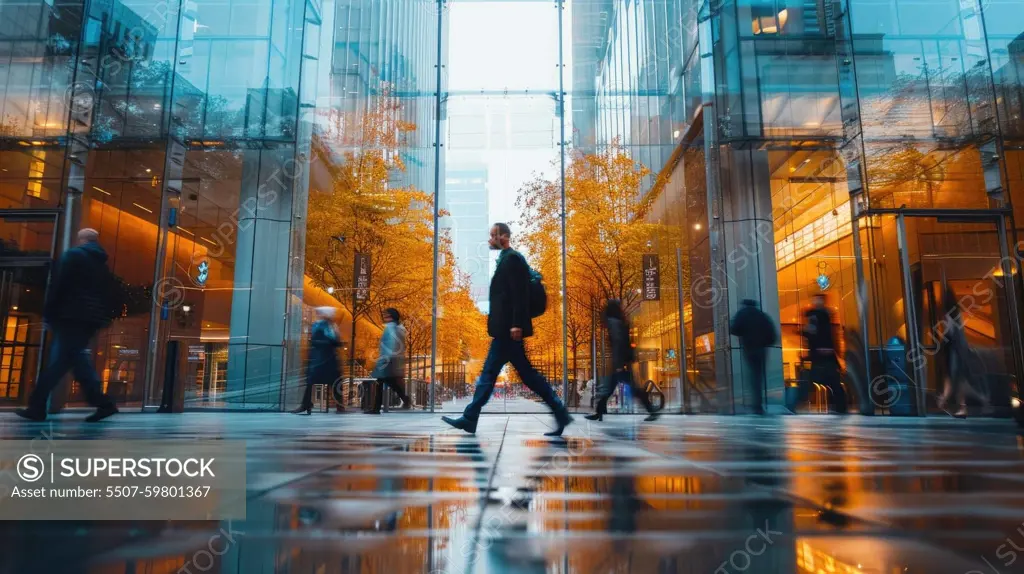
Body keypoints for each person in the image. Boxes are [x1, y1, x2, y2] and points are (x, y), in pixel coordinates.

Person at [442, 223, 572, 436]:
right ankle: (559, 412)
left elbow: (519, 294)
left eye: (494, 235)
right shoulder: (506, 259)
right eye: (490, 235)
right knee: (514, 374)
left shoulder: (512, 259)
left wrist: (516, 324)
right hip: (506, 330)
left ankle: (470, 417)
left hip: (509, 331)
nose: (490, 239)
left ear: (504, 236)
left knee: (494, 374)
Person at [17, 228, 118, 422]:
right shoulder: (102, 264)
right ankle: (103, 403)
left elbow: (59, 285)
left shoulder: (73, 256)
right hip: (89, 319)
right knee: (74, 360)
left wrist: (48, 313)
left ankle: (37, 407)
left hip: (70, 316)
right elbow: (108, 293)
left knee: (60, 362)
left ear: (81, 239)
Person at [585, 299, 659, 422]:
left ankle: (651, 409)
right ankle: (599, 413)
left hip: (620, 365)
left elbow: (618, 344)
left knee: (620, 389)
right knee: (613, 389)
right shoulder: (618, 322)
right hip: (622, 363)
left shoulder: (613, 323)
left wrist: (619, 364)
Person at [938, 287, 990, 418]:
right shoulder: (957, 313)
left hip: (954, 352)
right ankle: (957, 404)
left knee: (956, 379)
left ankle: (947, 402)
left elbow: (949, 333)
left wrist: (942, 343)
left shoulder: (949, 314)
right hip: (960, 350)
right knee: (958, 380)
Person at [730, 299, 777, 414]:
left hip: (749, 348)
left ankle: (755, 405)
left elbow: (734, 329)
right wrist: (765, 343)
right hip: (761, 349)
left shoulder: (742, 314)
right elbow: (772, 334)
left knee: (752, 377)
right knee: (758, 376)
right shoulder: (762, 316)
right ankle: (758, 404)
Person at [293, 306, 342, 415]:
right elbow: (335, 341)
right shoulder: (329, 326)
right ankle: (339, 406)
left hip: (321, 359)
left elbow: (317, 341)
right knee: (332, 382)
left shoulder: (322, 326)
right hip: (325, 359)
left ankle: (306, 405)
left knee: (315, 382)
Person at [803, 293, 845, 414]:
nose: (816, 302)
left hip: (822, 353)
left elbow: (815, 333)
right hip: (824, 353)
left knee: (818, 379)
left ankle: (839, 406)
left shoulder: (817, 316)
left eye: (818, 300)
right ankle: (840, 406)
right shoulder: (825, 315)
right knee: (832, 381)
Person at [369, 307, 412, 413]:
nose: (385, 317)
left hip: (387, 360)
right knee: (387, 382)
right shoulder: (400, 328)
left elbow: (390, 344)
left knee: (386, 382)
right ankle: (376, 408)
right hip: (394, 360)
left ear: (391, 317)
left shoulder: (390, 328)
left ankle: (377, 408)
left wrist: (384, 359)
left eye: (386, 315)